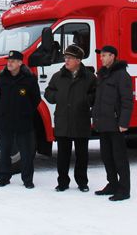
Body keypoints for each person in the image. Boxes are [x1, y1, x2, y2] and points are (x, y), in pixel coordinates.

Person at [44, 44, 96, 192]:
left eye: (70, 58)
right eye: (65, 58)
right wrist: (57, 96)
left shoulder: (90, 77)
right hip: (63, 121)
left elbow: (95, 94)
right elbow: (48, 92)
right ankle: (62, 182)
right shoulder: (57, 76)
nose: (66, 61)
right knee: (62, 156)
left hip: (81, 121)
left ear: (78, 60)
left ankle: (82, 182)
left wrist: (86, 100)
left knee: (82, 155)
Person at [91, 45, 133, 201]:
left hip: (116, 125)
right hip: (103, 124)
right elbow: (99, 100)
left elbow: (127, 101)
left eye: (104, 55)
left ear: (113, 56)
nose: (101, 58)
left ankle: (124, 189)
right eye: (101, 56)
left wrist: (123, 122)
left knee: (119, 158)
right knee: (106, 156)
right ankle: (112, 184)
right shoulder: (102, 76)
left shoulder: (121, 75)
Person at [0, 50, 41, 189]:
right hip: (5, 121)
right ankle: (4, 177)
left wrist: (26, 112)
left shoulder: (29, 79)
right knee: (5, 151)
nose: (10, 63)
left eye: (13, 61)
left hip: (23, 121)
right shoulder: (1, 78)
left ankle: (27, 179)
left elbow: (36, 99)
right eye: (9, 61)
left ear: (20, 63)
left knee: (26, 152)